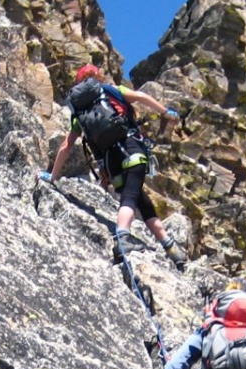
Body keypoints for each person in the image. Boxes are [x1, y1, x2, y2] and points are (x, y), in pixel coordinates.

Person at [40, 64, 187, 270]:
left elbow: (66, 146)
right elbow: (141, 97)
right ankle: (123, 236)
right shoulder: (111, 90)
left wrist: (52, 176)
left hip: (111, 165)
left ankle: (171, 248)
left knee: (141, 202)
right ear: (97, 77)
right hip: (130, 148)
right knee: (130, 196)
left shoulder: (80, 112)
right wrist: (165, 111)